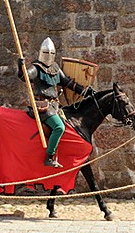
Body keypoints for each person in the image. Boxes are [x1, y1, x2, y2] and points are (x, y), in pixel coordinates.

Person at [17, 37, 94, 167]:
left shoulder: (55, 68)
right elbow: (25, 76)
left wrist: (85, 92)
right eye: (47, 53)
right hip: (43, 106)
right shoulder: (36, 68)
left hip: (55, 106)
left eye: (51, 53)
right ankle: (49, 157)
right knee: (59, 127)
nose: (49, 56)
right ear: (41, 53)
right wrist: (21, 67)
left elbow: (67, 82)